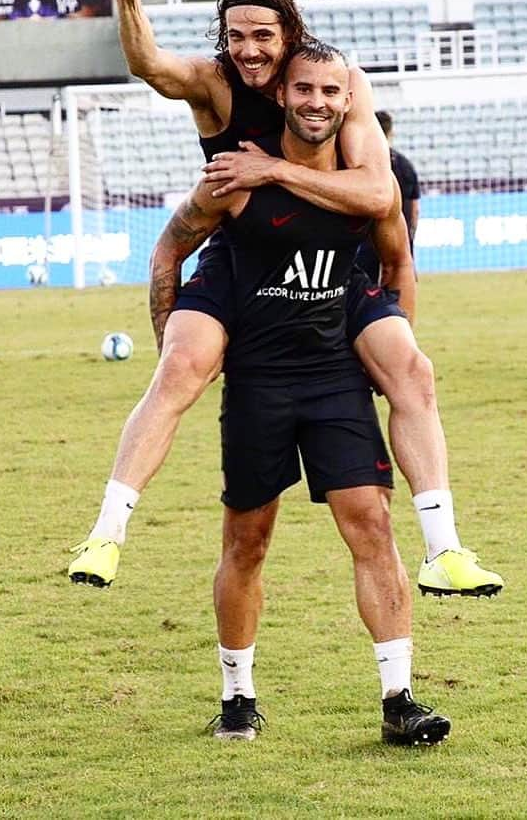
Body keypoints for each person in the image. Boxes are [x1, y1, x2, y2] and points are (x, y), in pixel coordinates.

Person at [69, 0, 501, 598]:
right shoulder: (215, 84)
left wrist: (271, 169)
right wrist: (127, 0)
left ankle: (443, 551)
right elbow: (151, 66)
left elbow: (378, 194)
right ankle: (106, 533)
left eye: (263, 36)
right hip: (243, 258)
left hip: (333, 261)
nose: (249, 50)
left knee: (412, 368)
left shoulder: (335, 81)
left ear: (290, 34)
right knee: (182, 368)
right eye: (237, 36)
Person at [172, 41, 451, 745]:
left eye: (332, 92)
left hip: (333, 376)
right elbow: (176, 244)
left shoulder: (367, 176)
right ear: (283, 98)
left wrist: (390, 342)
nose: (318, 102)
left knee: (373, 527)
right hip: (261, 377)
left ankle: (400, 699)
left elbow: (394, 249)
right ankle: (238, 696)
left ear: (348, 98)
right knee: (247, 541)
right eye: (304, 91)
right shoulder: (239, 177)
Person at [355, 110, 420, 284]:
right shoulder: (405, 164)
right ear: (391, 132)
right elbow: (415, 208)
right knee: (400, 279)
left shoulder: (361, 163)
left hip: (371, 235)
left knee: (364, 286)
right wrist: (411, 232)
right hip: (401, 235)